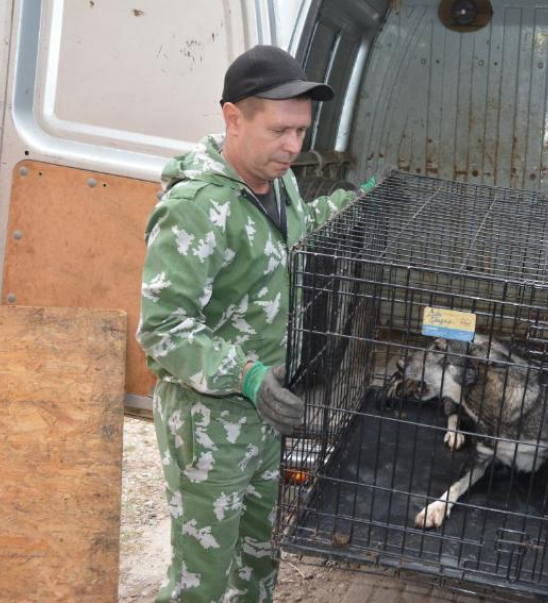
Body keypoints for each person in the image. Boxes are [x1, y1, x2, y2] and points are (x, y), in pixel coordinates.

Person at [137, 45, 374, 602]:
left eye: (301, 132)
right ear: (233, 118)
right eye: (280, 131)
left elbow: (294, 232)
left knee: (261, 557)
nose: (294, 147)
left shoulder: (279, 183)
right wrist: (244, 376)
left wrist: (356, 202)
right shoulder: (196, 208)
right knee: (202, 578)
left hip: (266, 419)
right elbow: (164, 326)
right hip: (210, 426)